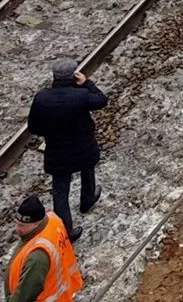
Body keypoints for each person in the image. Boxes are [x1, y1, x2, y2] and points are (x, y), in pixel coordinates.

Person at [25, 61, 106, 239]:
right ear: (72, 76)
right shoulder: (81, 95)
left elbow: (33, 127)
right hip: (83, 146)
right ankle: (87, 200)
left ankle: (66, 231)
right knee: (88, 172)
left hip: (57, 150)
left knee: (60, 191)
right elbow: (102, 100)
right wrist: (86, 82)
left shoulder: (41, 98)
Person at [4, 195, 81, 302]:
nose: (17, 229)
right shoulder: (52, 219)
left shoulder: (38, 255)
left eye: (22, 225)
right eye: (17, 224)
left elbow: (25, 293)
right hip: (64, 290)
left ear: (36, 224)